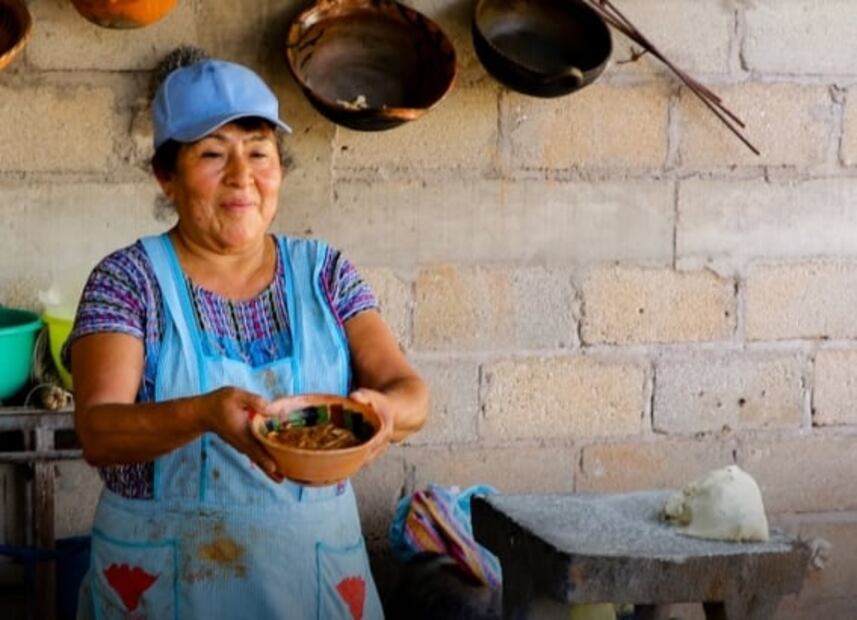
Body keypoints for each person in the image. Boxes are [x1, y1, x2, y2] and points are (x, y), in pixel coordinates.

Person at [65, 48, 428, 619]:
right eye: (213, 154)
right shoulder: (128, 280)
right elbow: (98, 431)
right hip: (167, 585)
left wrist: (385, 412)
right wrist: (203, 413)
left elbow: (410, 392)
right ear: (166, 175)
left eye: (259, 152)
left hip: (312, 582)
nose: (242, 177)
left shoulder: (326, 274)